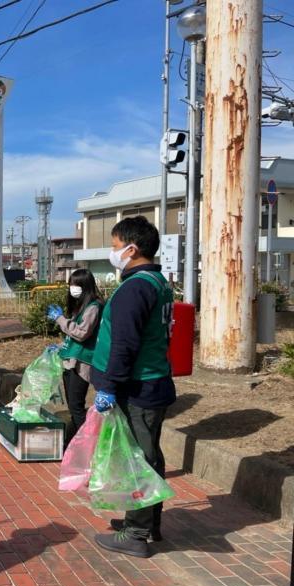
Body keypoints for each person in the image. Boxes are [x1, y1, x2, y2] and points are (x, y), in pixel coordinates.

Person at [89, 216, 176, 559]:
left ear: (131, 248)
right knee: (147, 453)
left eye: (114, 247)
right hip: (152, 382)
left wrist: (108, 385)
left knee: (139, 458)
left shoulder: (136, 287)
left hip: (139, 386)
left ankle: (136, 533)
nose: (113, 254)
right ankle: (145, 520)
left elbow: (124, 343)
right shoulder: (157, 281)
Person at [46, 269, 104, 444]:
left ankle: (86, 445)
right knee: (72, 406)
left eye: (76, 285)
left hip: (82, 363)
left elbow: (81, 333)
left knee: (76, 407)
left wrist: (60, 319)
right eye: (70, 284)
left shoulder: (94, 307)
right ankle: (76, 442)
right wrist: (60, 346)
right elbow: (73, 336)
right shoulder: (81, 306)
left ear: (85, 286)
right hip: (71, 361)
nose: (72, 288)